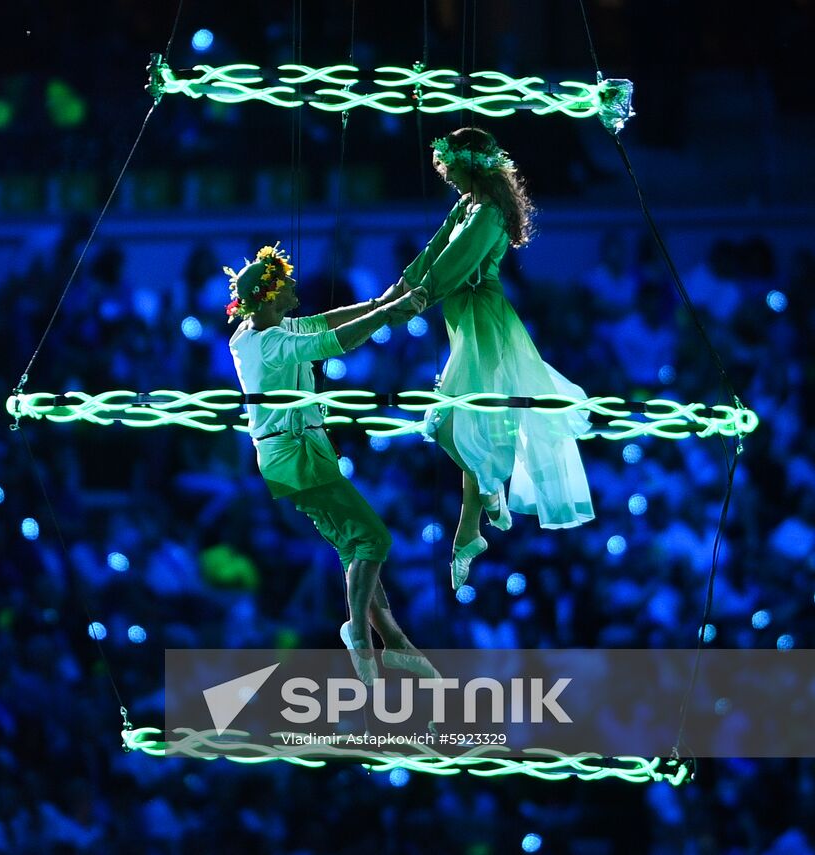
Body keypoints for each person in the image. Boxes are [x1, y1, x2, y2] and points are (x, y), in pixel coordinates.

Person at [391, 128, 595, 591]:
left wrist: (414, 300)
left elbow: (452, 265)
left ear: (468, 164)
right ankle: (468, 533)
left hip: (484, 323)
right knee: (469, 423)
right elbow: (433, 251)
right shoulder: (468, 205)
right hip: (464, 320)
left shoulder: (487, 214)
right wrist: (401, 287)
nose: (446, 175)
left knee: (449, 422)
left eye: (451, 166)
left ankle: (487, 487)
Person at [225, 243, 435, 683]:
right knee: (374, 540)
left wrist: (381, 302)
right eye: (284, 284)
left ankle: (394, 641)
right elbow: (331, 341)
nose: (294, 286)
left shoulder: (255, 332)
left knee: (352, 545)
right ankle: (358, 633)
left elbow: (323, 322)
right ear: (269, 296)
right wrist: (387, 315)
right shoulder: (270, 344)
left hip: (292, 454)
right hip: (296, 453)